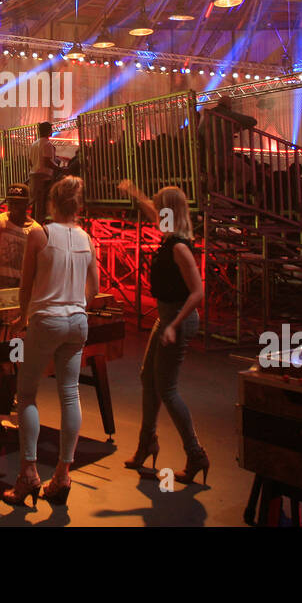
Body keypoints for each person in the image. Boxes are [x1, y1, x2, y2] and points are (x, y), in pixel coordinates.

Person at [3, 176, 98, 508]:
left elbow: (25, 286)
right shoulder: (88, 238)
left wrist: (21, 318)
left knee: (27, 394)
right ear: (78, 206)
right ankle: (62, 475)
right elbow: (94, 290)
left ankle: (28, 473)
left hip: (47, 320)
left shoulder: (39, 234)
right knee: (70, 394)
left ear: (51, 204)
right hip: (78, 322)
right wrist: (74, 302)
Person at [118, 180, 209, 484]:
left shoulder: (179, 247)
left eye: (159, 208)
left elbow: (197, 293)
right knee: (148, 377)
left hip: (178, 320)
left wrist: (173, 325)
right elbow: (151, 208)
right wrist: (134, 192)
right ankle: (147, 443)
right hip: (168, 318)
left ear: (169, 211)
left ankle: (196, 454)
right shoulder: (170, 236)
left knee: (167, 390)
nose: (154, 212)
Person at [0, 184, 39, 289]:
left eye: (18, 203)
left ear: (26, 204)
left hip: (22, 289)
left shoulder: (36, 229)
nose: (13, 206)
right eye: (11, 202)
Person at [27, 122, 57, 224]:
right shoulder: (47, 144)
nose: (52, 131)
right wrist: (60, 169)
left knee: (35, 204)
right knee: (42, 206)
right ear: (48, 131)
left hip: (33, 177)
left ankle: (33, 224)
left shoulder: (33, 144)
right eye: (51, 129)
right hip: (44, 178)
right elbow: (47, 162)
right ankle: (39, 227)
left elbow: (30, 162)